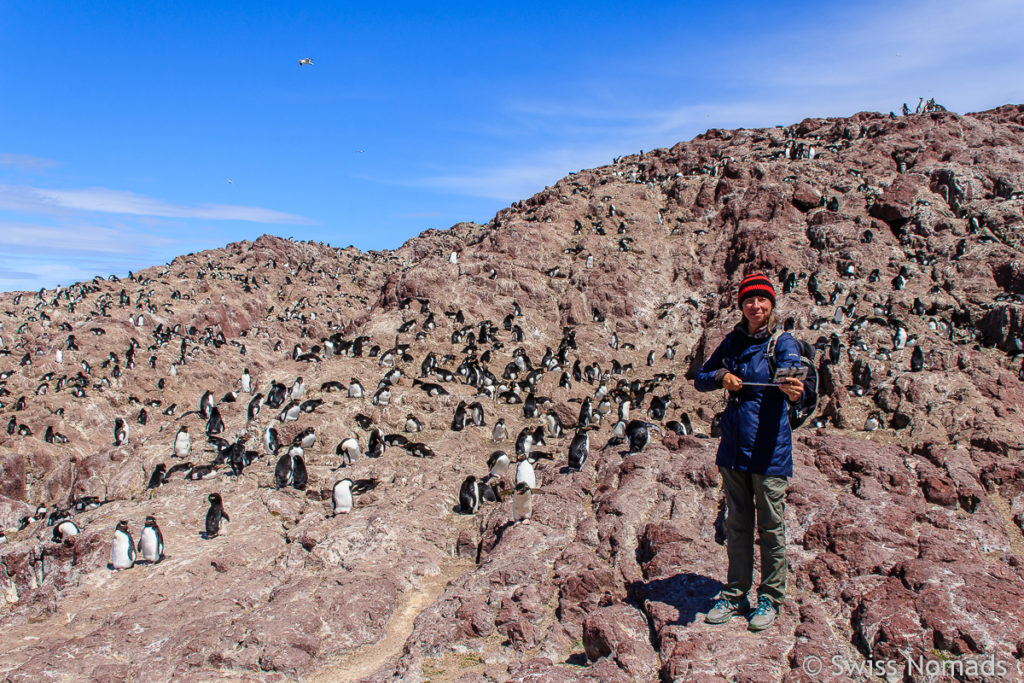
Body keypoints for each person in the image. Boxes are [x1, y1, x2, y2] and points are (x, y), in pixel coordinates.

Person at [694, 272, 804, 632]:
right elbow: (700, 377)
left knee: (771, 528)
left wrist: (793, 387)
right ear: (740, 305)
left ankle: (770, 598)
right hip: (734, 450)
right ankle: (735, 593)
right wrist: (720, 377)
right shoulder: (732, 342)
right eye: (748, 300)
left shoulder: (781, 342)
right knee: (737, 525)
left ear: (771, 303)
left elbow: (793, 368)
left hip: (769, 452)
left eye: (761, 300)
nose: (755, 306)